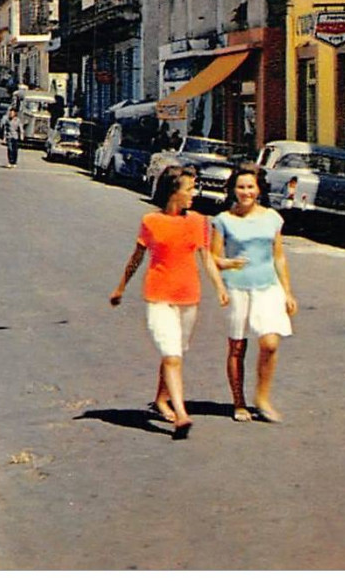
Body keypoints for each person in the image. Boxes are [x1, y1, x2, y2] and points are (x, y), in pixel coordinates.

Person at [109, 165, 234, 439]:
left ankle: (161, 400)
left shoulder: (199, 221)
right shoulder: (151, 221)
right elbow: (136, 258)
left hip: (189, 297)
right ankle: (181, 414)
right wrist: (120, 287)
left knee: (174, 352)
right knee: (172, 354)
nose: (194, 194)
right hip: (158, 298)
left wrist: (220, 287)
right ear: (173, 192)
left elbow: (207, 258)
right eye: (189, 189)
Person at [210, 164, 297, 423]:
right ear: (233, 190)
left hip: (268, 287)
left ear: (258, 189)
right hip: (238, 288)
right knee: (237, 347)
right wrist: (228, 264)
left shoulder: (272, 218)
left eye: (250, 187)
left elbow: (279, 257)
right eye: (241, 187)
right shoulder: (223, 220)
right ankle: (239, 402)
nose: (246, 192)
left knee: (270, 343)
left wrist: (288, 292)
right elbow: (213, 257)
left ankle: (262, 398)